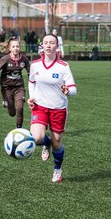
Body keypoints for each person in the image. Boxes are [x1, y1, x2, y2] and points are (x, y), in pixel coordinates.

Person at [27, 34, 77, 183]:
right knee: (36, 138)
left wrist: (68, 91)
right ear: (42, 46)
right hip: (40, 106)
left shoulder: (63, 66)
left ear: (57, 46)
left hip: (58, 108)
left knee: (57, 144)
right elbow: (31, 81)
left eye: (52, 43)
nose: (48, 45)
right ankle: (45, 143)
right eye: (46, 43)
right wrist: (32, 97)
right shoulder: (35, 64)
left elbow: (74, 89)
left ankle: (57, 169)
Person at [0, 37, 30, 129]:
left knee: (19, 107)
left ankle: (19, 129)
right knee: (12, 113)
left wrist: (34, 82)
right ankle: (6, 102)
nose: (16, 48)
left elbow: (30, 73)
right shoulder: (5, 59)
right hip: (6, 88)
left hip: (19, 87)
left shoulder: (24, 59)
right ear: (10, 48)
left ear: (20, 47)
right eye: (13, 46)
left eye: (17, 46)